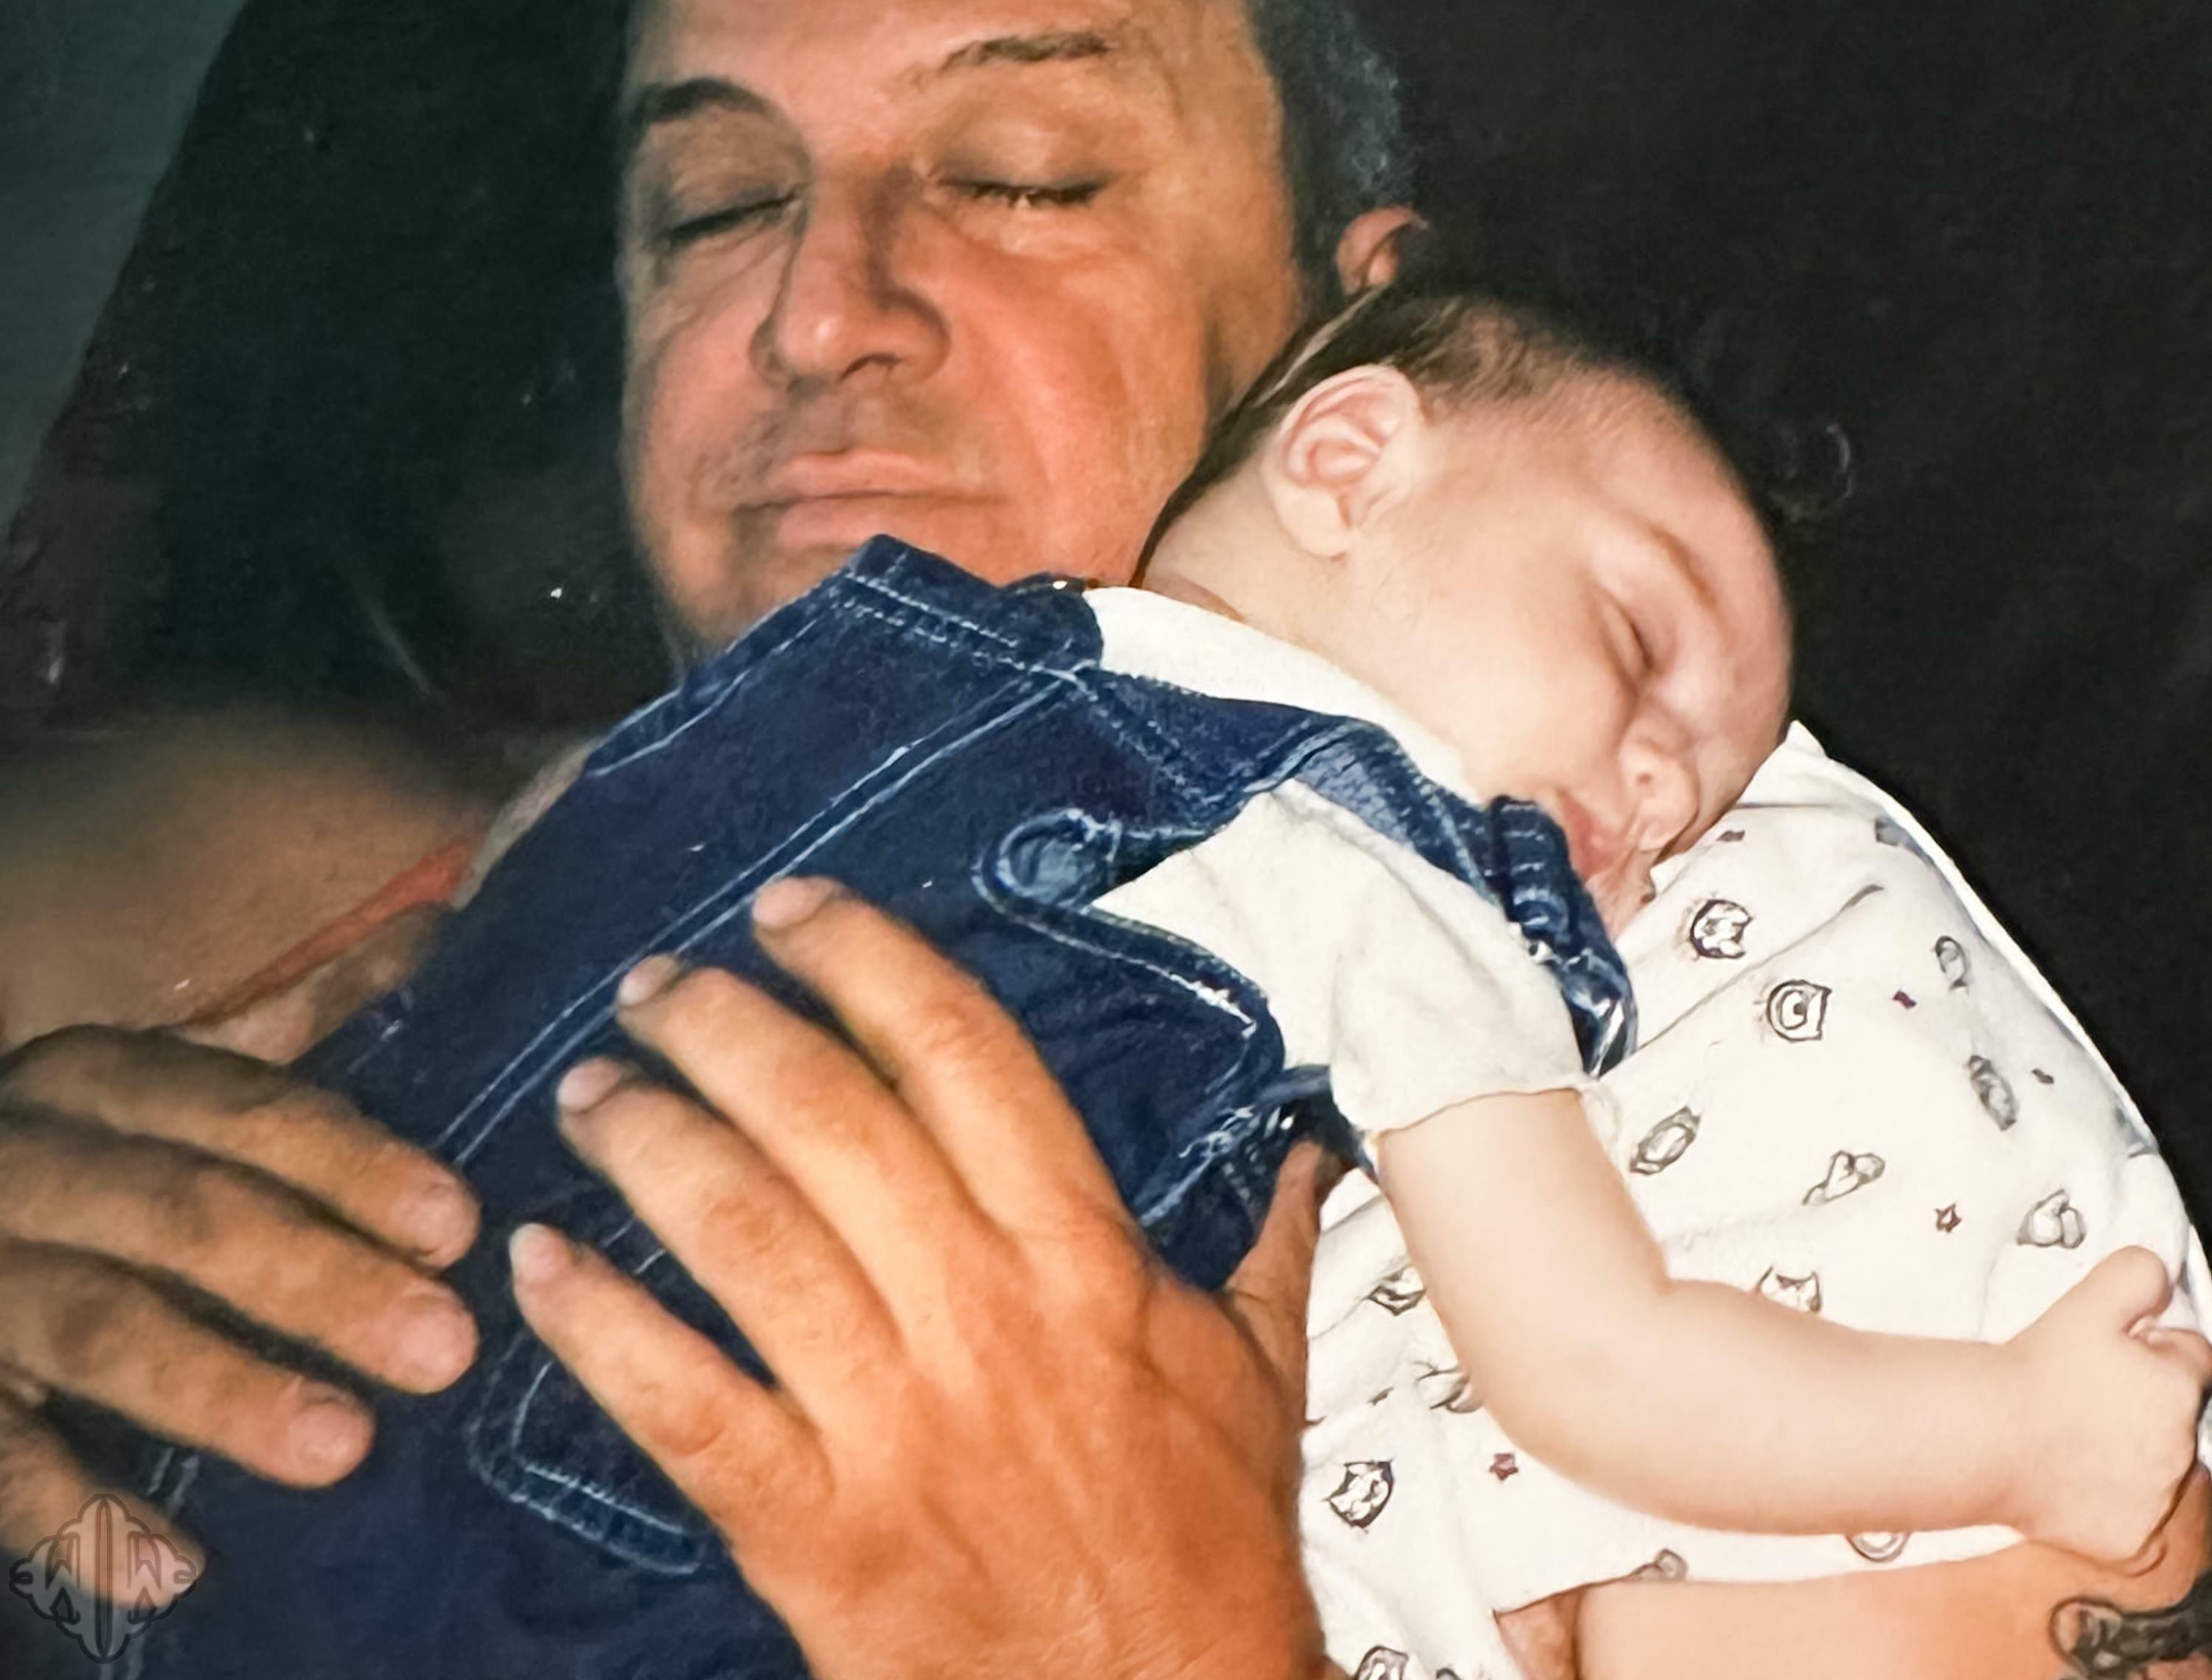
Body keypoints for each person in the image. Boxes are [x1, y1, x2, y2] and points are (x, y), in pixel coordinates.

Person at [0, 0, 2203, 1679]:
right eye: (716, 203)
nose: (817, 311)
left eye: (1020, 176)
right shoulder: (289, 874)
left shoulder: (1792, 1049)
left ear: (1346, 361)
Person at [105, 288, 2208, 1680]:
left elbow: (539, 873)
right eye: (1644, 653)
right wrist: (2021, 1429)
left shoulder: (881, 658)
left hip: (287, 1492)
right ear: (1348, 458)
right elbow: (1603, 1360)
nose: (1662, 794)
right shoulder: (1387, 878)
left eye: (1706, 795)